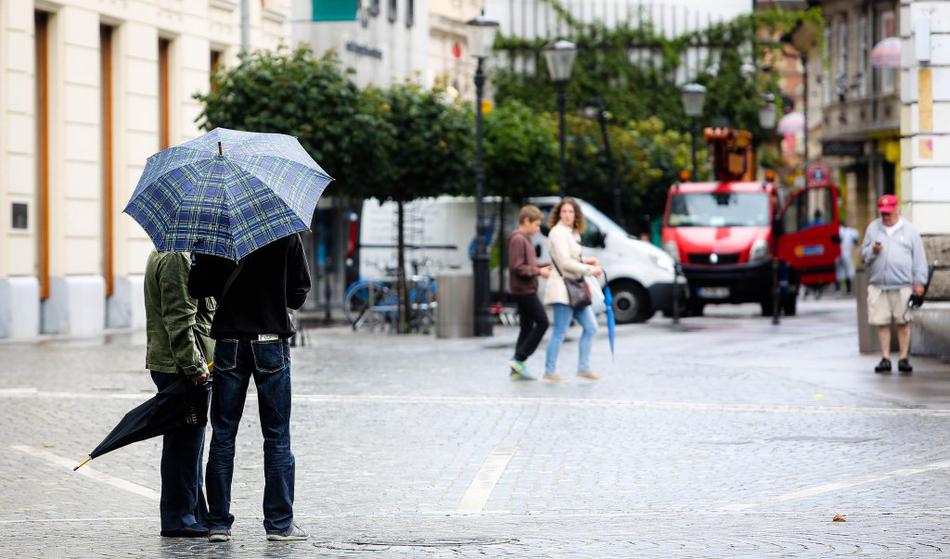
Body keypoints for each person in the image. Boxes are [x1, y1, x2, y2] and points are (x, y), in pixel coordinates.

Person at [188, 234, 312, 542]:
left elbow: (196, 288)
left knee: (223, 433)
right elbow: (298, 295)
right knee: (277, 435)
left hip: (229, 340)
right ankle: (280, 524)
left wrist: (202, 260)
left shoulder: (214, 234)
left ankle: (218, 524)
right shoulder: (284, 234)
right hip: (271, 340)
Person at [143, 250, 215, 538]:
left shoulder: (176, 255)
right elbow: (179, 319)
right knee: (183, 445)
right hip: (180, 367)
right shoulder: (176, 258)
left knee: (190, 442)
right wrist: (194, 365)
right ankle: (178, 517)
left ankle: (194, 512)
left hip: (179, 364)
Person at [860, 194, 928, 374]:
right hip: (879, 285)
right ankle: (885, 358)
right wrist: (872, 251)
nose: (886, 217)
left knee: (903, 321)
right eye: (883, 214)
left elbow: (919, 259)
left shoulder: (910, 230)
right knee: (881, 322)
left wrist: (919, 281)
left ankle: (904, 358)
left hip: (903, 285)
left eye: (889, 213)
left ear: (897, 209)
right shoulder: (873, 228)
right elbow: (864, 256)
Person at [543, 198, 602, 383]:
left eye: (570, 211)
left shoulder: (571, 233)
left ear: (576, 215)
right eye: (564, 211)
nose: (567, 215)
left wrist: (587, 260)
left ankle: (583, 368)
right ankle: (549, 372)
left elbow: (572, 258)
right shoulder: (558, 233)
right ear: (559, 214)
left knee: (591, 327)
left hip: (574, 288)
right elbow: (565, 262)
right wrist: (590, 270)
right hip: (562, 288)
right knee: (560, 331)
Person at [507, 205, 551, 381]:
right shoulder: (518, 239)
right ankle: (519, 359)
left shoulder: (525, 239)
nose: (538, 228)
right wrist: (539, 272)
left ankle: (517, 367)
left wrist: (543, 267)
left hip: (525, 289)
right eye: (536, 224)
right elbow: (517, 267)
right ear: (526, 221)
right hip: (523, 290)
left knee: (526, 327)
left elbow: (528, 265)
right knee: (543, 322)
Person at [835, 220, 859, 295]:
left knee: (838, 272)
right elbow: (855, 241)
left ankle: (838, 290)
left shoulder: (837, 230)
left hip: (837, 254)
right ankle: (848, 290)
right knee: (847, 271)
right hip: (846, 253)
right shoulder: (851, 231)